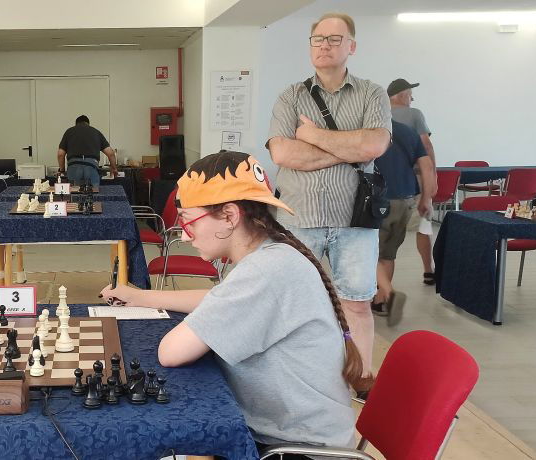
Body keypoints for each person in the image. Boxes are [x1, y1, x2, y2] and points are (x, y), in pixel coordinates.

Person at [100, 151, 368, 453]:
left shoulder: (266, 270)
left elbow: (171, 352)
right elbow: (219, 299)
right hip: (290, 434)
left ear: (229, 216)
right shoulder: (270, 253)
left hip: (294, 450)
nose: (185, 237)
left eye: (188, 221)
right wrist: (140, 296)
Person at [265, 12, 391, 377]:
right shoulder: (291, 96)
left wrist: (313, 136)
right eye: (318, 39)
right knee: (291, 304)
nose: (324, 45)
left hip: (355, 220)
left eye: (335, 39)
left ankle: (361, 378)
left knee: (358, 304)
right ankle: (297, 377)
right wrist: (350, 148)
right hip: (297, 218)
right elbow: (282, 154)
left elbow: (374, 145)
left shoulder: (372, 94)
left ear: (352, 46)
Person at [372, 121, 436, 326]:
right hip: (406, 199)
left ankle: (388, 293)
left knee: (368, 251)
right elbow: (427, 166)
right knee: (388, 254)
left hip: (377, 200)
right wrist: (426, 198)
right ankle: (380, 301)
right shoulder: (408, 131)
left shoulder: (370, 130)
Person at [388, 78, 439, 286]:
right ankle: (428, 270)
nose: (412, 99)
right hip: (416, 180)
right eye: (410, 95)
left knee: (386, 237)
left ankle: (382, 284)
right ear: (401, 95)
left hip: (387, 183)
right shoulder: (414, 114)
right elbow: (426, 146)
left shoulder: (379, 114)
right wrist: (433, 176)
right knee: (423, 226)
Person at [56, 115, 118, 187]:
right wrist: (114, 169)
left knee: (74, 192)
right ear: (88, 123)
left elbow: (60, 154)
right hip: (91, 166)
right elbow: (111, 153)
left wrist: (62, 171)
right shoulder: (96, 132)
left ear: (76, 124)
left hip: (73, 167)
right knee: (93, 192)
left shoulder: (69, 132)